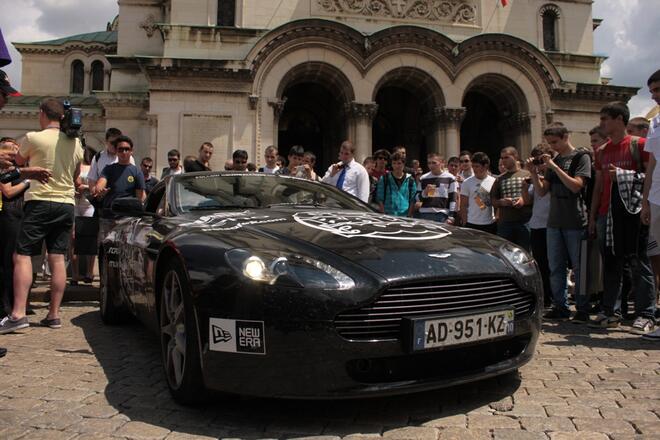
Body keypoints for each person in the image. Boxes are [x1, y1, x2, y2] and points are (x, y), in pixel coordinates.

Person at [0, 98, 83, 334]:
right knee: (57, 258)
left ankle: (17, 313)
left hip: (39, 201)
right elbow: (76, 174)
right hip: (66, 203)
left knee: (22, 255)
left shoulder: (33, 138)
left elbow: (16, 163)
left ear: (42, 114)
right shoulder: (76, 143)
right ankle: (54, 315)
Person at [589, 101, 656, 333]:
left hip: (633, 212)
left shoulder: (639, 145)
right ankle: (611, 311)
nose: (601, 124)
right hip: (607, 214)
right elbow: (598, 185)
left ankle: (646, 313)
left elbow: (651, 176)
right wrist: (593, 215)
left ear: (619, 119)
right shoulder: (602, 151)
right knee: (611, 263)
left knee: (639, 263)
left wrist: (624, 176)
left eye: (604, 119)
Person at [527, 124, 592, 321]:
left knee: (579, 267)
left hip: (574, 220)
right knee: (555, 266)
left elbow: (576, 186)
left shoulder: (581, 157)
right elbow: (541, 191)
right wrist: (532, 172)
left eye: (555, 142)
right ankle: (560, 306)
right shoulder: (554, 160)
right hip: (553, 221)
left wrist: (555, 167)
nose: (552, 146)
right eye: (549, 143)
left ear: (565, 137)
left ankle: (582, 307)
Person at [640, 69, 660, 340]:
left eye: (659, 90)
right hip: (656, 199)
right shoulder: (655, 124)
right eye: (653, 91)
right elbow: (652, 165)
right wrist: (645, 201)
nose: (655, 96)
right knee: (657, 260)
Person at [95, 136, 145, 242]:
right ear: (116, 151)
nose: (124, 152)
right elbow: (100, 184)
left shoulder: (136, 172)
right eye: (120, 149)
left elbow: (140, 197)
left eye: (127, 149)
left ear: (131, 151)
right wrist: (100, 190)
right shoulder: (109, 169)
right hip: (109, 217)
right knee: (106, 248)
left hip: (128, 219)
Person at [0, 138, 29, 317]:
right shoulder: (4, 168)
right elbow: (8, 192)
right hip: (9, 214)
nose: (15, 153)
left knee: (16, 261)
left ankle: (16, 302)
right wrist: (27, 183)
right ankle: (6, 305)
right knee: (8, 261)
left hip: (18, 214)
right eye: (11, 151)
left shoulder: (17, 169)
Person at [523, 144, 553, 307]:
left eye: (542, 160)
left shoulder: (552, 174)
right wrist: (524, 186)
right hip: (536, 223)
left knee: (552, 265)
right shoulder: (536, 176)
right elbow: (528, 200)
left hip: (550, 224)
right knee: (540, 263)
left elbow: (542, 191)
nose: (539, 165)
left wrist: (534, 174)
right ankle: (546, 298)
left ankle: (554, 298)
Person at [491, 146, 532, 250]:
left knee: (525, 253)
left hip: (525, 221)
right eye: (502, 158)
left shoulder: (528, 175)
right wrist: (502, 202)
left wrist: (523, 200)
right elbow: (493, 200)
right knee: (506, 253)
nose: (504, 160)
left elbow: (536, 196)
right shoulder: (499, 179)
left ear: (515, 157)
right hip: (505, 223)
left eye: (507, 157)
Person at [70, 146, 97, 286]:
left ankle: (89, 272)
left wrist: (84, 188)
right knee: (74, 238)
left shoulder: (92, 167)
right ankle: (75, 274)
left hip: (88, 204)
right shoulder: (74, 167)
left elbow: (95, 186)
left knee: (89, 238)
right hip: (75, 203)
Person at [459, 151, 496, 234]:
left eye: (477, 166)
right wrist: (464, 222)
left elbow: (496, 202)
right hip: (471, 222)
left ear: (485, 166)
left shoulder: (493, 181)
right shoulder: (466, 182)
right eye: (473, 166)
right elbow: (463, 205)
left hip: (489, 223)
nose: (474, 169)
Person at [415, 153, 457, 224]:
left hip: (442, 216)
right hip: (424, 215)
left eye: (434, 163)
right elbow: (417, 198)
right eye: (429, 163)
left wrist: (451, 217)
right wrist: (424, 193)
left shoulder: (450, 178)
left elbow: (453, 199)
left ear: (442, 163)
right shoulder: (423, 178)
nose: (431, 165)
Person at [375, 152, 416, 217]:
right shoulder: (384, 178)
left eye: (399, 163)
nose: (397, 166)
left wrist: (409, 215)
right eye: (394, 163)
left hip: (405, 216)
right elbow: (380, 198)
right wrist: (383, 214)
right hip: (388, 215)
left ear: (403, 164)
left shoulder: (410, 180)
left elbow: (413, 200)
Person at [88, 128, 128, 194]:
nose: (115, 146)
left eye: (117, 143)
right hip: (103, 199)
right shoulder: (98, 157)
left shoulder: (127, 157)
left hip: (121, 198)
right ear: (106, 141)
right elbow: (92, 179)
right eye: (112, 143)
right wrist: (96, 196)